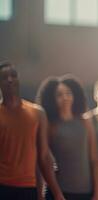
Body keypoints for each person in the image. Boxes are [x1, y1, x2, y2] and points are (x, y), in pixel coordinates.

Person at [0, 61, 64, 200]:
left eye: (13, 75)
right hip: (2, 186)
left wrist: (57, 194)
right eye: (4, 77)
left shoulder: (37, 113)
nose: (10, 79)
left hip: (28, 187)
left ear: (18, 79)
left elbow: (44, 156)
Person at [36, 75, 98, 200]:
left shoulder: (85, 122)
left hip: (85, 191)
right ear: (52, 99)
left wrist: (97, 193)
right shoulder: (50, 126)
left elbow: (94, 159)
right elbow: (43, 160)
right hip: (60, 191)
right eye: (59, 95)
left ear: (75, 95)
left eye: (68, 93)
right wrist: (56, 194)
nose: (65, 97)